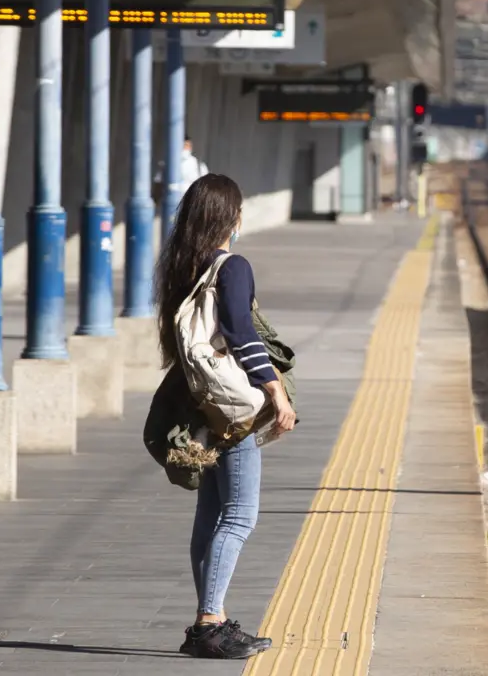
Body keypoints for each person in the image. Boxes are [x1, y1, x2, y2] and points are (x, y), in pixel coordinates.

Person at [155, 173, 297, 660]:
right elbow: (241, 334)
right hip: (230, 408)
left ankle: (207, 621)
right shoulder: (231, 267)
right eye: (238, 209)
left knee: (211, 515)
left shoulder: (182, 266)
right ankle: (210, 622)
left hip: (199, 405)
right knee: (240, 516)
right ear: (228, 217)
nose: (242, 217)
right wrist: (275, 392)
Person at [154, 136, 210, 203]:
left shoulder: (199, 165)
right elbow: (158, 184)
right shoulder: (167, 164)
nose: (186, 148)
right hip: (170, 205)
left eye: (188, 145)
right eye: (184, 145)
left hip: (191, 205)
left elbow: (206, 188)